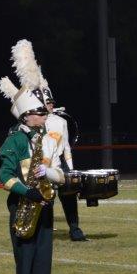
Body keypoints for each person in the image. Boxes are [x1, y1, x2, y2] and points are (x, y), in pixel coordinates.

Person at [0, 39, 65, 274]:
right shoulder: (14, 140)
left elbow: (60, 173)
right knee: (24, 254)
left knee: (43, 255)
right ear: (27, 115)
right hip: (23, 203)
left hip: (45, 202)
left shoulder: (48, 139)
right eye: (40, 112)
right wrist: (28, 192)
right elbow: (5, 176)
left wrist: (49, 176)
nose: (45, 114)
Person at [40, 78, 87, 241]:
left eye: (51, 102)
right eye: (47, 102)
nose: (50, 105)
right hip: (42, 163)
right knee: (46, 197)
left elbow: (66, 146)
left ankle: (75, 230)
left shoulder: (61, 121)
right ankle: (45, 230)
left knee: (69, 196)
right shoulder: (35, 122)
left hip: (60, 162)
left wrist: (71, 169)